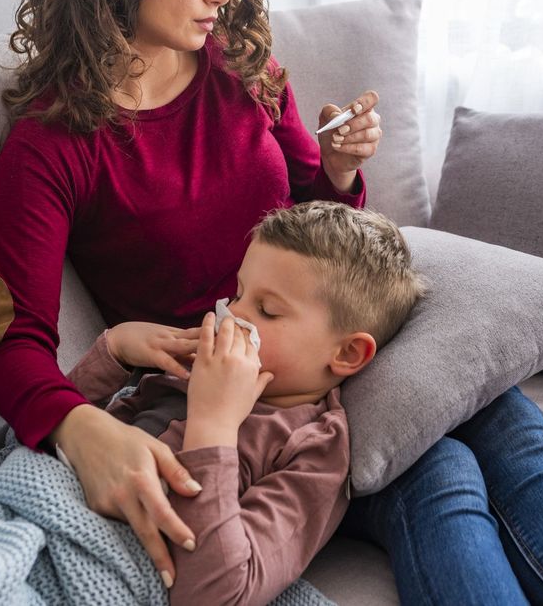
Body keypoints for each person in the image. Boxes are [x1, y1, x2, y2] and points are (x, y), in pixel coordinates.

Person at [0, 0, 543, 603]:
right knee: (442, 471)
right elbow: (10, 343)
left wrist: (338, 170)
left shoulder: (242, 63)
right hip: (246, 394)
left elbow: (312, 213)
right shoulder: (53, 141)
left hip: (332, 337)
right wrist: (80, 426)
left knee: (514, 429)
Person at [64, 200, 425, 603]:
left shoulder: (313, 450)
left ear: (347, 354)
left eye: (268, 310)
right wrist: (115, 349)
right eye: (237, 294)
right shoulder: (188, 372)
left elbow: (219, 593)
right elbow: (44, 442)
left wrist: (213, 425)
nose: (232, 315)